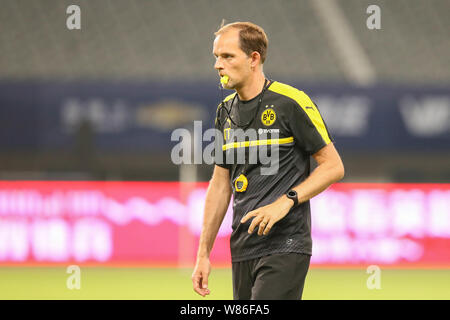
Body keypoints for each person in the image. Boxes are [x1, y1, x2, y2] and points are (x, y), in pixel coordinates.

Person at [191, 21, 345, 300]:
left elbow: (333, 166)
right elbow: (220, 185)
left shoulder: (290, 102)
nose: (218, 65)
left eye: (227, 56)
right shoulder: (224, 112)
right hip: (243, 247)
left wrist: (285, 201)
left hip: (286, 242)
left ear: (253, 59)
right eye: (216, 57)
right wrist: (203, 253)